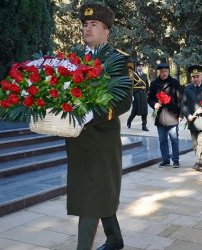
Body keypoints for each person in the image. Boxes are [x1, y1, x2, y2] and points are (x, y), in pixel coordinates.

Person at [66, 3, 131, 250]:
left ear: (107, 31)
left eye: (94, 24)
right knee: (95, 190)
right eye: (85, 24)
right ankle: (115, 239)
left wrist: (91, 116)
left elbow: (123, 101)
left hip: (102, 139)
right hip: (77, 139)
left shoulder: (117, 59)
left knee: (92, 197)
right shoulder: (73, 58)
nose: (88, 28)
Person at [147, 63, 182, 168]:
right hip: (160, 116)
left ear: (168, 71)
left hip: (172, 115)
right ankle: (165, 160)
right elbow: (149, 99)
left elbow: (180, 100)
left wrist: (181, 114)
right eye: (162, 71)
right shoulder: (154, 83)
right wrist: (154, 104)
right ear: (159, 72)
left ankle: (176, 160)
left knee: (174, 139)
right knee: (162, 140)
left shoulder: (175, 82)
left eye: (166, 71)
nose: (164, 73)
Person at [182, 65, 202, 171]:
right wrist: (188, 115)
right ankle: (200, 160)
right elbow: (183, 104)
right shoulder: (187, 89)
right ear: (191, 77)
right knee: (195, 144)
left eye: (198, 76)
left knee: (201, 142)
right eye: (194, 77)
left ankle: (198, 162)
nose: (196, 79)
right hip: (192, 120)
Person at [127, 61, 149, 131]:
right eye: (139, 66)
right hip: (136, 94)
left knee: (144, 111)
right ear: (136, 67)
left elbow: (147, 86)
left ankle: (144, 125)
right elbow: (130, 86)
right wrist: (132, 96)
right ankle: (129, 121)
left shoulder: (145, 75)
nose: (140, 67)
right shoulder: (133, 75)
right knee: (135, 110)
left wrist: (146, 93)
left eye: (141, 66)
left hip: (143, 95)